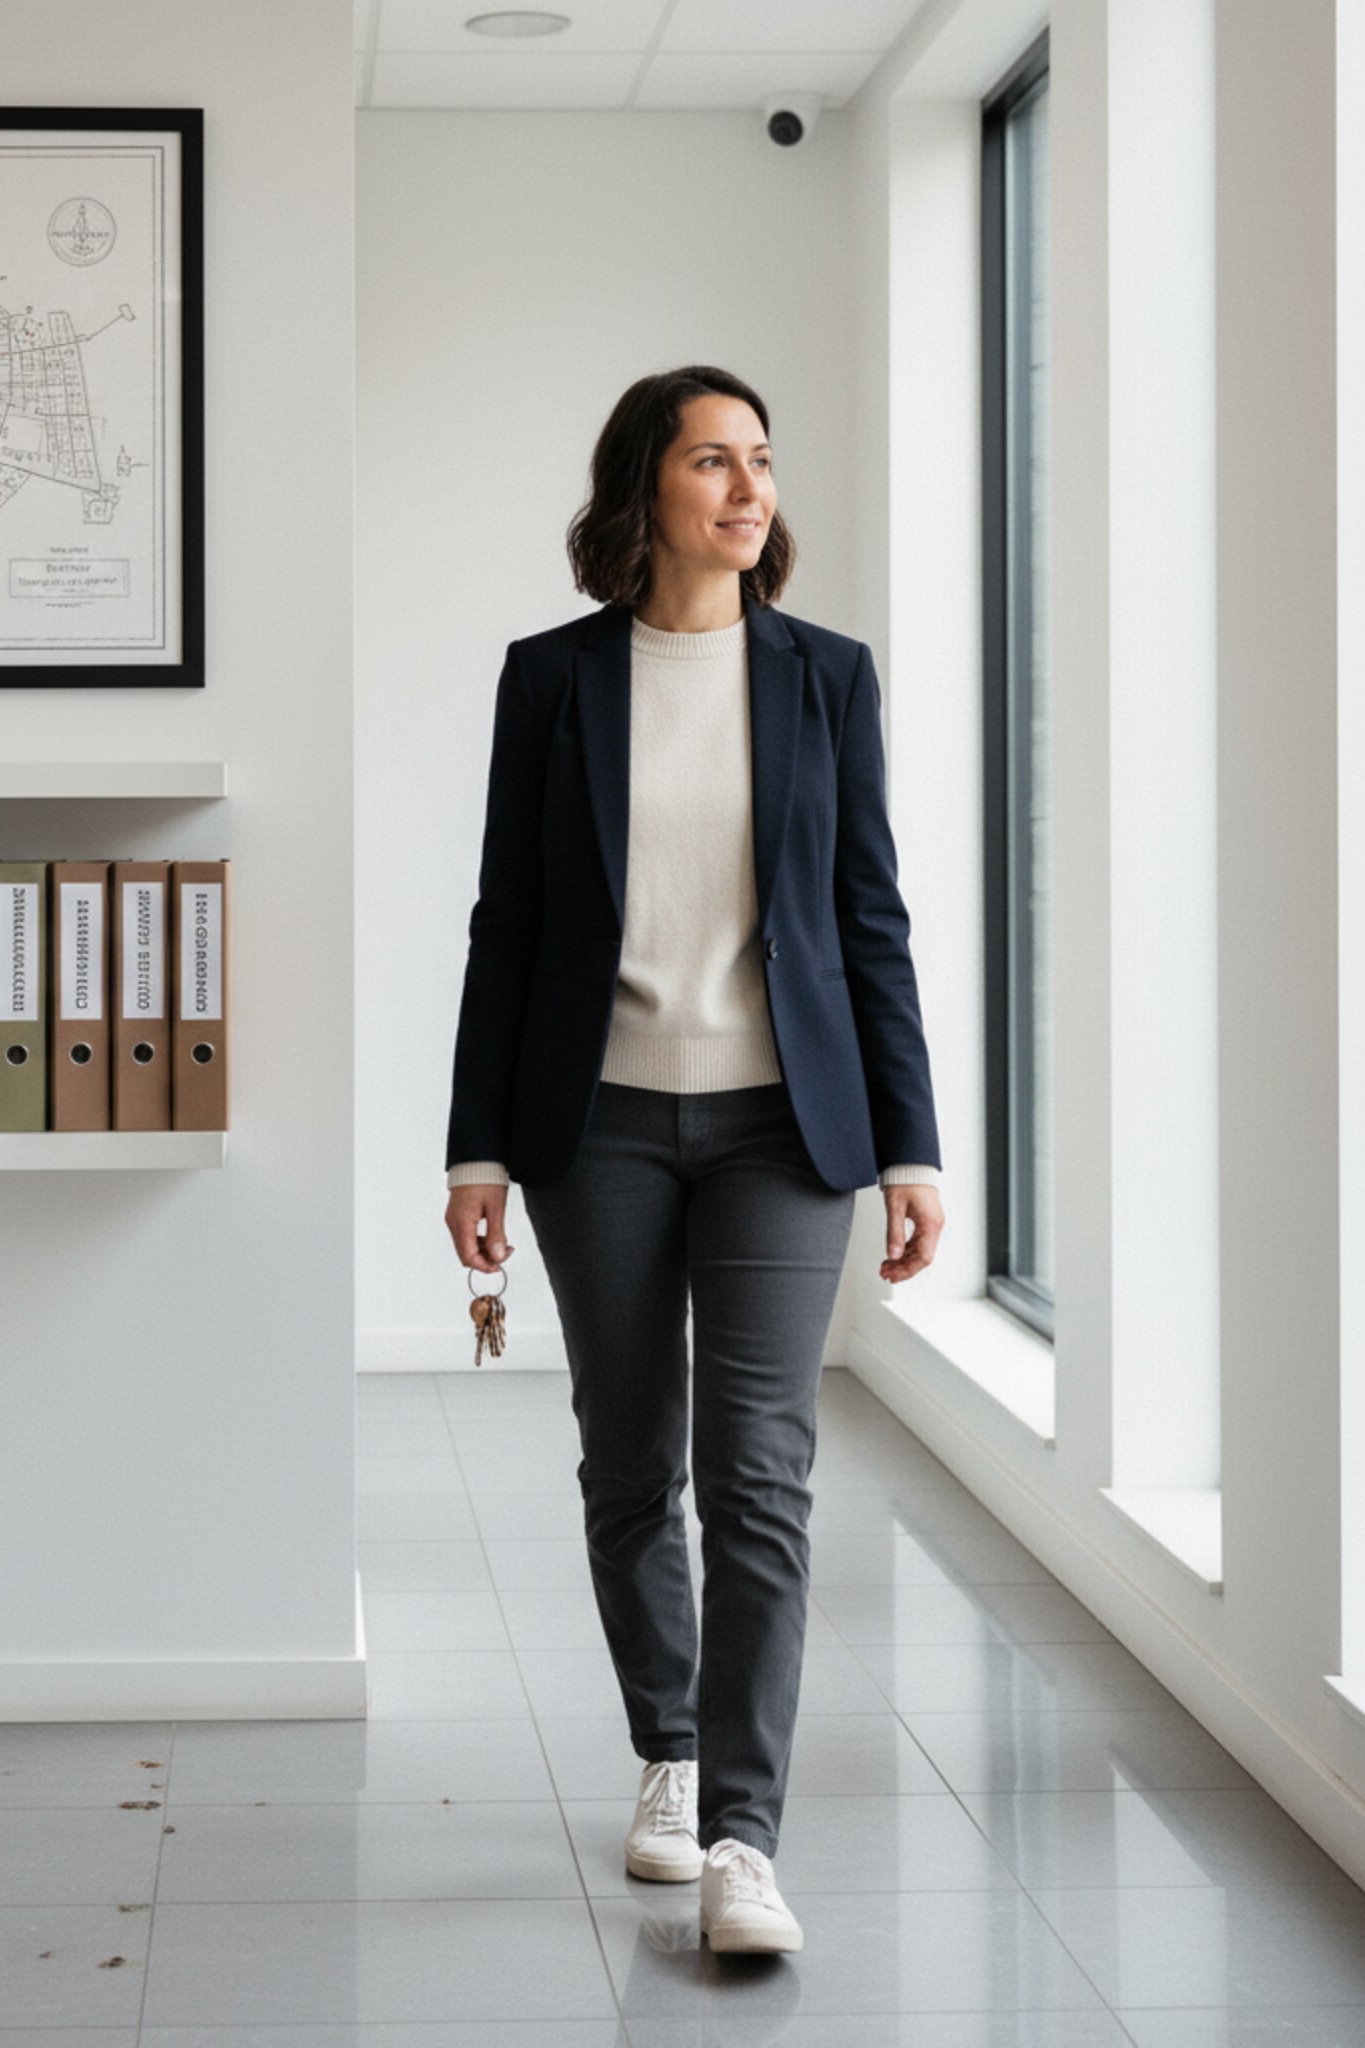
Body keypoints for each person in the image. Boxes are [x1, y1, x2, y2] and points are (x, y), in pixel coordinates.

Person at [441, 365, 944, 1956]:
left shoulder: (825, 677)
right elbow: (510, 923)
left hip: (782, 1128)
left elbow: (869, 918)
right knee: (628, 1461)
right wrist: (475, 1148)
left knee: (760, 1473)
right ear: (643, 490)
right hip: (595, 1124)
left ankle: (744, 1837)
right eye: (712, 460)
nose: (748, 488)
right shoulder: (554, 679)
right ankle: (667, 1747)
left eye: (761, 461)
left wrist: (914, 1145)